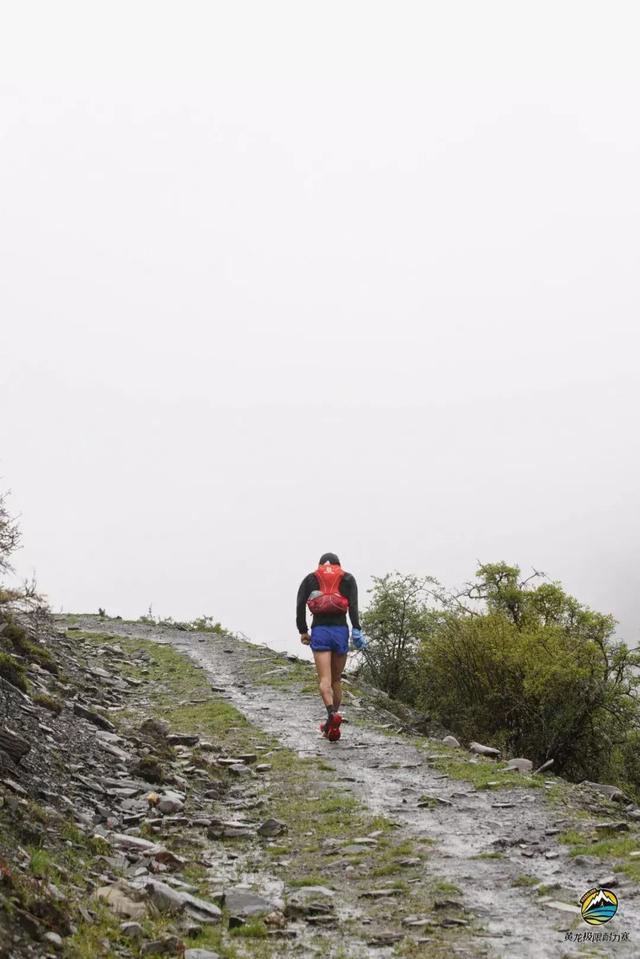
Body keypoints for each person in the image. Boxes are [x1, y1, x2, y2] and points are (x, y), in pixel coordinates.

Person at [296, 552, 364, 741]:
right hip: (340, 631)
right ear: (338, 565)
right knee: (336, 681)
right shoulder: (348, 578)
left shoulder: (310, 578)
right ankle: (330, 725)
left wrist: (303, 631)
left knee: (324, 680)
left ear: (320, 565)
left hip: (320, 631)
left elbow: (300, 605)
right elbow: (354, 607)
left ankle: (331, 716)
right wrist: (357, 629)